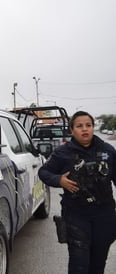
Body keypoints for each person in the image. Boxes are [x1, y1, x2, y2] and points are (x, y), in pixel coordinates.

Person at [39, 110, 116, 274]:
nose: (84, 129)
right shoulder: (62, 153)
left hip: (104, 215)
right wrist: (59, 180)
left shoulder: (108, 151)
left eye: (88, 125)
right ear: (72, 130)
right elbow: (44, 172)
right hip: (76, 215)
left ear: (93, 127)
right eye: (79, 126)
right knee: (79, 263)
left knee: (98, 262)